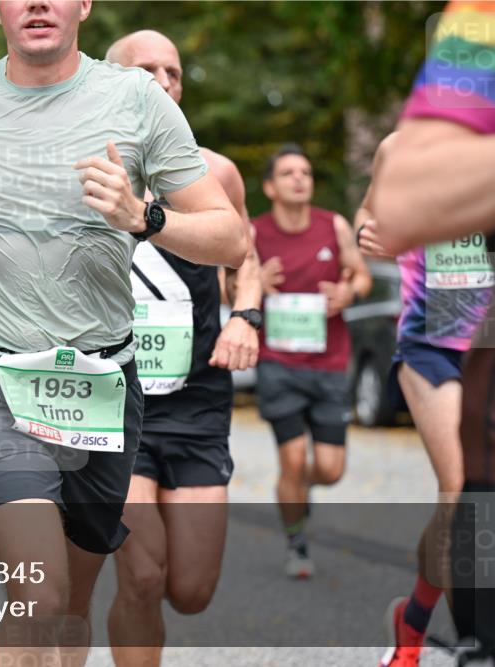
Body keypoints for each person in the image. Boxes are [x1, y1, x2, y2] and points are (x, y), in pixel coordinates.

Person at [0, 1, 247, 663]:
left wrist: (146, 215)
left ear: (84, 5)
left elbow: (229, 235)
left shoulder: (137, 101)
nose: (38, 2)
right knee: (39, 591)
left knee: (71, 601)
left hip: (103, 384)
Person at [103, 30, 263, 664]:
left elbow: (245, 259)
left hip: (197, 401)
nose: (165, 81)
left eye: (173, 71)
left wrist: (245, 315)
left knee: (190, 591)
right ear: (113, 84)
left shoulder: (215, 171)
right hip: (116, 408)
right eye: (148, 71)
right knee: (141, 577)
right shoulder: (85, 169)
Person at [370, 2, 495, 662]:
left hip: (484, 341)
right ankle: (463, 637)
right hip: (431, 340)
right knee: (462, 487)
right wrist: (378, 232)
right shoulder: (401, 149)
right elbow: (373, 221)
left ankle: (414, 616)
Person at [253, 143, 372, 579]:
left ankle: (294, 488)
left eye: (305, 171)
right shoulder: (254, 232)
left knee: (329, 468)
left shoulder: (333, 225)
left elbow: (361, 274)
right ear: (270, 186)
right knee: (291, 457)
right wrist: (254, 280)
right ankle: (296, 543)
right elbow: (229, 288)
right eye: (288, 173)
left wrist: (348, 292)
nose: (300, 178)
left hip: (329, 363)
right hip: (277, 361)